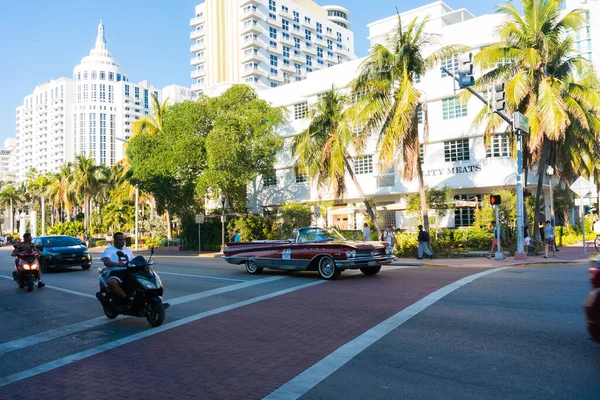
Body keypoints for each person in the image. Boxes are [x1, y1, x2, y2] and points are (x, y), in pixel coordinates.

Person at [101, 232, 135, 309]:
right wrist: (117, 264)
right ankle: (125, 299)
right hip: (116, 271)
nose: (122, 241)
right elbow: (107, 261)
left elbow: (133, 260)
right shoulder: (109, 250)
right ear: (114, 240)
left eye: (123, 239)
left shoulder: (127, 250)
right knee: (111, 282)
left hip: (128, 270)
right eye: (119, 240)